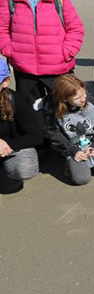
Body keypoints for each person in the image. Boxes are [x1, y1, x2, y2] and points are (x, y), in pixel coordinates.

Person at [0, 0, 84, 119]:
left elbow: (75, 28)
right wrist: (10, 51)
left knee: (65, 115)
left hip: (58, 67)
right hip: (25, 69)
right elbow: (2, 28)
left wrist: (66, 52)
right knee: (32, 117)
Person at [43, 74, 94, 186]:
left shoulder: (92, 103)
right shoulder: (53, 110)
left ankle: (91, 160)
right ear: (65, 98)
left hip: (93, 139)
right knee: (81, 179)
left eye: (83, 94)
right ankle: (68, 161)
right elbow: (53, 133)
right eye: (77, 98)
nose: (83, 99)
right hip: (71, 144)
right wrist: (72, 150)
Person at [0, 59, 43, 194]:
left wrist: (7, 145)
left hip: (10, 148)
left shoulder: (15, 99)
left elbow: (37, 135)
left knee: (25, 168)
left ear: (5, 82)